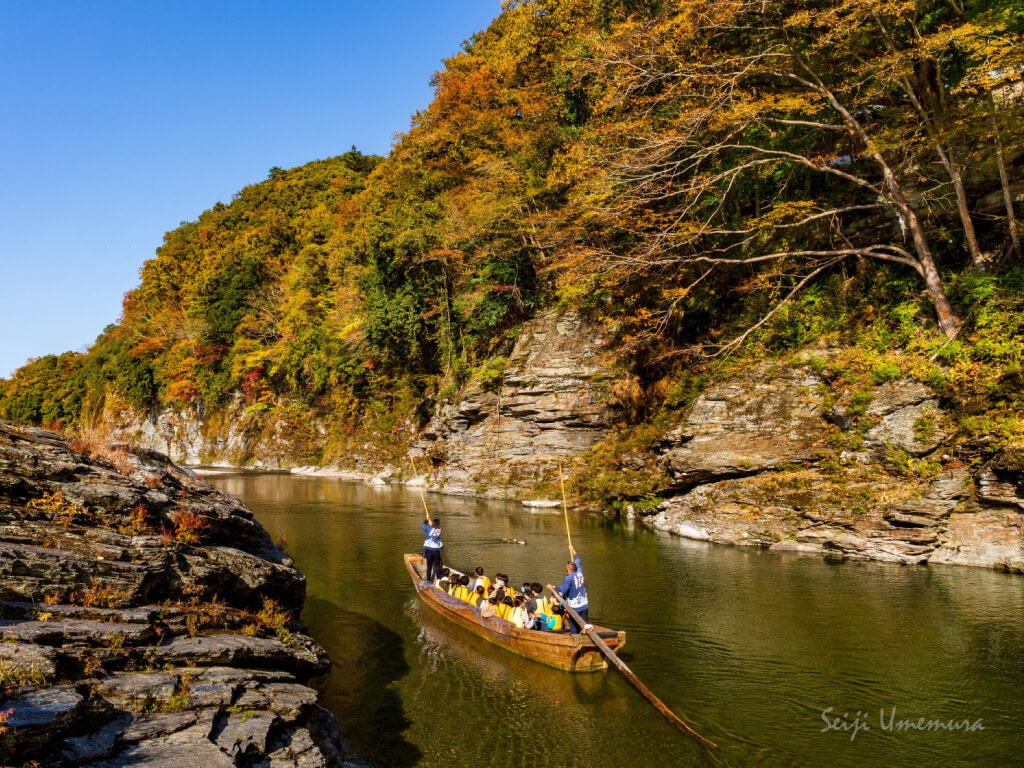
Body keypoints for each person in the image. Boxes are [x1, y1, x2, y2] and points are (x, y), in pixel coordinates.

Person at [547, 546, 589, 635]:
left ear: (570, 570)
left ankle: (574, 637)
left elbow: (563, 589)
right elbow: (578, 562)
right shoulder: (580, 572)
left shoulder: (568, 578)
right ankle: (585, 634)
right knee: (585, 624)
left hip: (575, 607)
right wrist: (574, 551)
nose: (566, 572)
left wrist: (553, 587)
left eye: (567, 570)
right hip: (584, 604)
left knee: (573, 624)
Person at [422, 518, 444, 582]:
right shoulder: (439, 530)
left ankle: (428, 579)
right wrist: (430, 522)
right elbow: (433, 528)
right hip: (436, 551)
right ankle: (439, 578)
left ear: (433, 523)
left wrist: (426, 521)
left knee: (429, 566)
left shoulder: (429, 529)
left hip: (429, 551)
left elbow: (423, 526)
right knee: (437, 565)